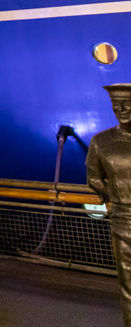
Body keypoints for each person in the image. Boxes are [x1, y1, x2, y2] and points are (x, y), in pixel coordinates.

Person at [87, 83, 131, 326]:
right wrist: (115, 194)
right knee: (129, 286)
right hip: (123, 221)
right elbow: (93, 178)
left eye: (127, 103)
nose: (121, 108)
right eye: (116, 104)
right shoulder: (101, 142)